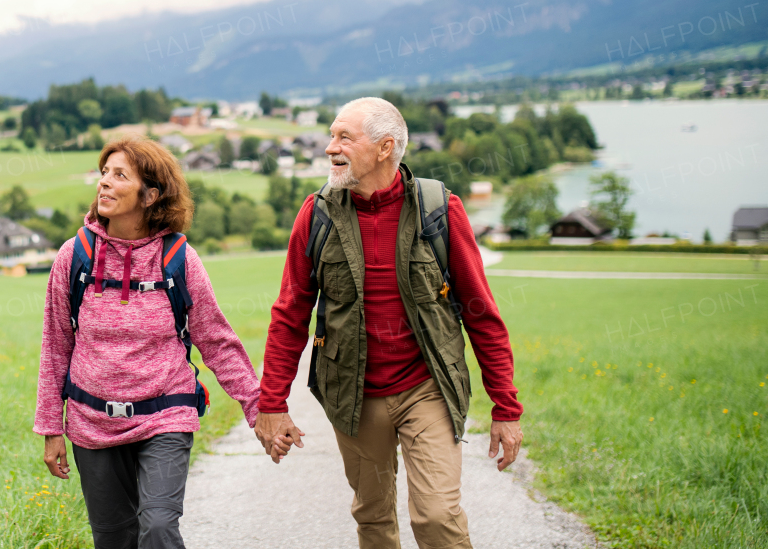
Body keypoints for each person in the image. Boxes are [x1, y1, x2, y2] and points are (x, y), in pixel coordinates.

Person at [254, 97, 523, 549]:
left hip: (427, 388)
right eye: (331, 135)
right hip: (353, 394)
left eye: (344, 137)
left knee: (437, 516)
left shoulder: (440, 209)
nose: (329, 147)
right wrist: (272, 402)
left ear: (384, 148)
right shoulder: (316, 214)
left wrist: (506, 407)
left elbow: (481, 311)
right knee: (373, 516)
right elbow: (290, 313)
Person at [35, 136, 260, 549]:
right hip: (92, 422)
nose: (104, 182)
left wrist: (258, 406)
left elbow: (214, 338)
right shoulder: (74, 257)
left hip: (164, 415)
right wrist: (51, 426)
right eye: (104, 173)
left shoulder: (179, 259)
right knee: (114, 539)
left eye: (119, 175)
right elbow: (55, 345)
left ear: (150, 194)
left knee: (157, 527)